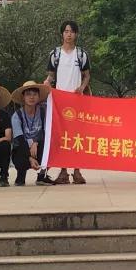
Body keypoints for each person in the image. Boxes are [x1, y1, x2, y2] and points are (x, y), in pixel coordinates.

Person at [43, 20, 91, 185]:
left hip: (77, 101)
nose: (69, 34)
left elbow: (87, 75)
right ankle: (63, 171)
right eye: (66, 31)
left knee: (77, 136)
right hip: (59, 102)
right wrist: (47, 82)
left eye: (71, 31)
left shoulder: (81, 54)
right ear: (62, 34)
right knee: (62, 136)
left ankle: (77, 171)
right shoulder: (55, 54)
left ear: (76, 34)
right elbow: (51, 75)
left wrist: (82, 87)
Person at [10, 81, 55, 186]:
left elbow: (47, 132)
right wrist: (29, 158)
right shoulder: (17, 115)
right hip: (23, 147)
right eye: (28, 94)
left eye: (35, 94)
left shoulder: (44, 112)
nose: (31, 97)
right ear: (23, 97)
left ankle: (42, 176)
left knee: (50, 145)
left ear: (39, 97)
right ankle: (20, 176)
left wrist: (35, 142)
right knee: (19, 150)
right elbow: (19, 139)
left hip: (38, 146)